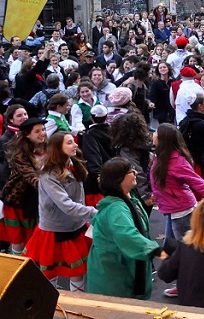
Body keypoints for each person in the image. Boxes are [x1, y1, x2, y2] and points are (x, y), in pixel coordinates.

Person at [23, 132, 97, 291]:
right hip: (54, 230)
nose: (75, 145)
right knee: (50, 272)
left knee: (78, 271)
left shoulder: (73, 163)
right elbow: (66, 205)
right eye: (69, 143)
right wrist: (95, 213)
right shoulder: (48, 174)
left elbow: (79, 197)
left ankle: (78, 308)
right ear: (58, 148)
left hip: (76, 226)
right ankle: (50, 307)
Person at [87, 157, 166, 300]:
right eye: (130, 171)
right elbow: (127, 235)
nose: (135, 172)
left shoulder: (128, 200)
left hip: (120, 270)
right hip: (115, 277)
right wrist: (156, 251)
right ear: (118, 180)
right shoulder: (116, 209)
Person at [0, 117, 47, 254]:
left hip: (36, 201)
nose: (42, 133)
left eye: (43, 130)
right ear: (27, 135)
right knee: (18, 241)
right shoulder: (20, 154)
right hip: (17, 202)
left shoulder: (47, 150)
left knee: (34, 241)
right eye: (37, 131)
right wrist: (51, 188)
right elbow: (30, 176)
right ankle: (18, 269)